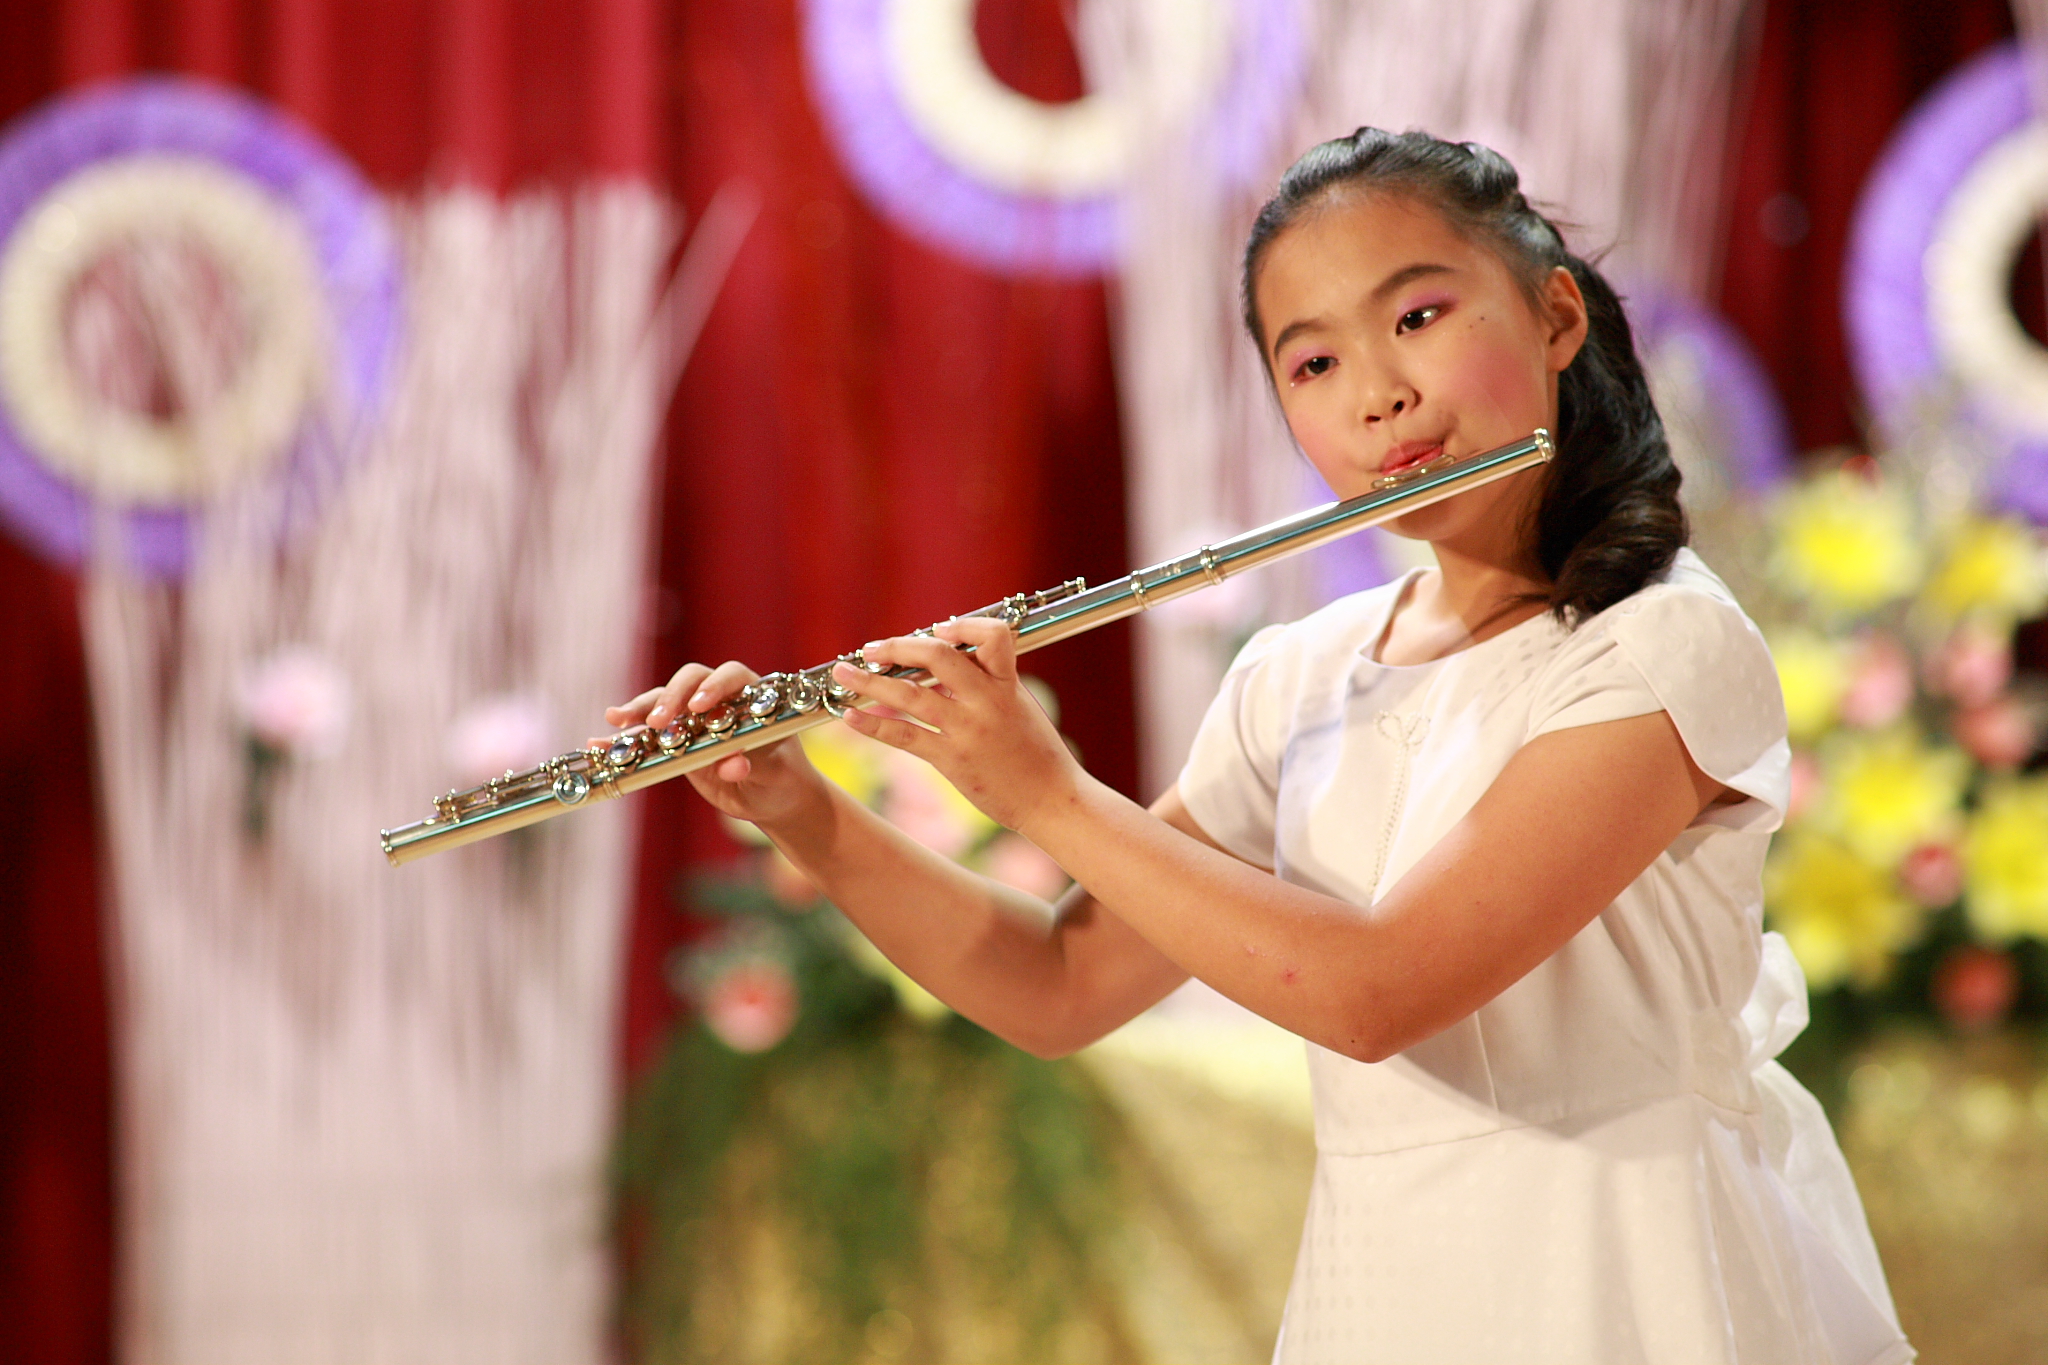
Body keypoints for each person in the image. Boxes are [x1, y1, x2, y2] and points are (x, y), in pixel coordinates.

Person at [608, 128, 1912, 1365]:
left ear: (1557, 317)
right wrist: (804, 813)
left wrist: (1045, 793)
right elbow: (1060, 986)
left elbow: (1377, 991)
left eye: (1418, 317)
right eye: (1314, 365)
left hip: (1625, 1279)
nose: (1380, 394)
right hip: (1388, 1293)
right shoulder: (1299, 674)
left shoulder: (1664, 646)